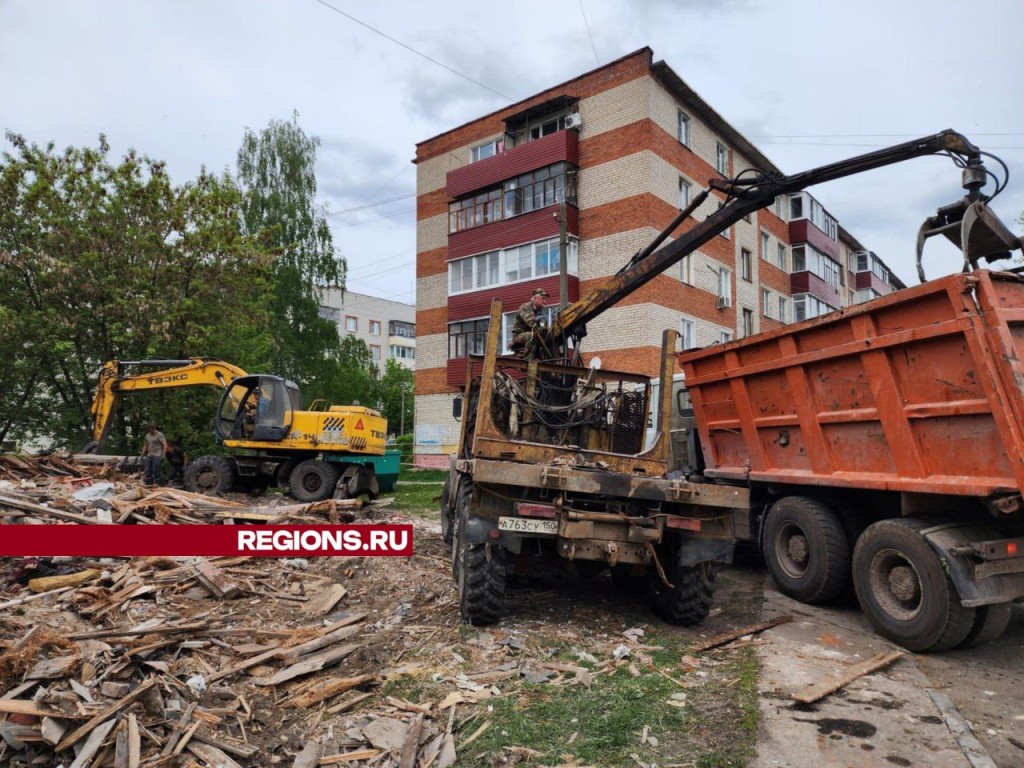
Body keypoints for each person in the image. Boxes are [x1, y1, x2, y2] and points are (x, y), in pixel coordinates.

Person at [510, 287, 550, 359]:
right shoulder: (525, 307)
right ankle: (527, 361)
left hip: (532, 333)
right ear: (535, 298)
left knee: (548, 337)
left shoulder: (540, 312)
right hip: (519, 335)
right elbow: (531, 323)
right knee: (532, 336)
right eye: (543, 298)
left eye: (545, 299)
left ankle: (545, 359)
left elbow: (544, 327)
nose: (545, 301)